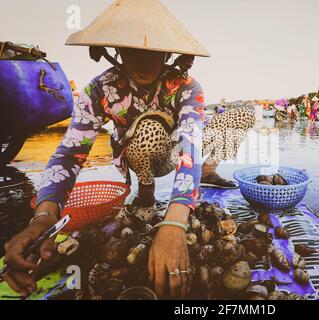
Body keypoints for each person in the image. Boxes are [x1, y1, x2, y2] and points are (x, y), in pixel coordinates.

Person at [2, 0, 255, 299]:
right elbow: (69, 154)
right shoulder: (99, 89)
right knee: (148, 127)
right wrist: (44, 218)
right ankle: (145, 190)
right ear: (115, 50)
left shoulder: (186, 86)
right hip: (138, 153)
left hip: (178, 154)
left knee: (244, 113)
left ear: (169, 52)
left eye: (153, 51)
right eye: (131, 50)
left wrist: (175, 219)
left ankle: (207, 172)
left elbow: (190, 142)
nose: (144, 61)